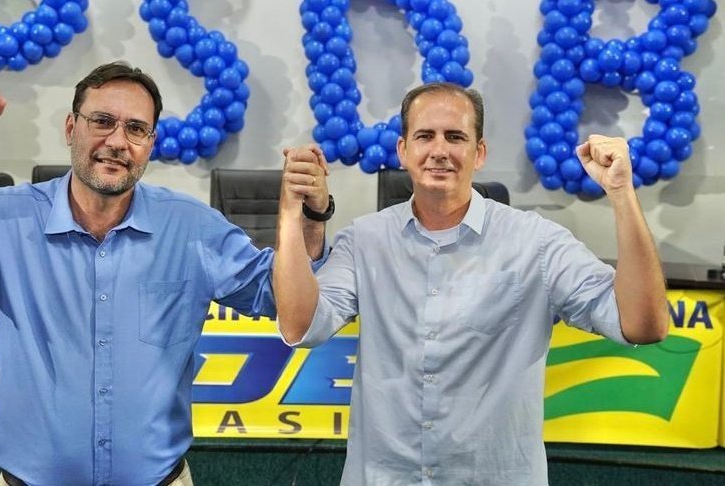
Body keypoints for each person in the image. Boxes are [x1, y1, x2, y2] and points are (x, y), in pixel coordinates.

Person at [0, 61, 332, 486]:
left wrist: (310, 217)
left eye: (136, 129)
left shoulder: (192, 228)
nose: (117, 142)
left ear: (150, 144)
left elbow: (285, 297)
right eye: (102, 121)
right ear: (71, 127)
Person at [274, 82, 669, 485]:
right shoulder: (364, 240)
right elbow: (301, 327)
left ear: (479, 153)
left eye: (455, 137)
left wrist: (621, 193)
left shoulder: (537, 242)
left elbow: (642, 325)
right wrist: (292, 212)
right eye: (425, 136)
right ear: (403, 150)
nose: (439, 150)